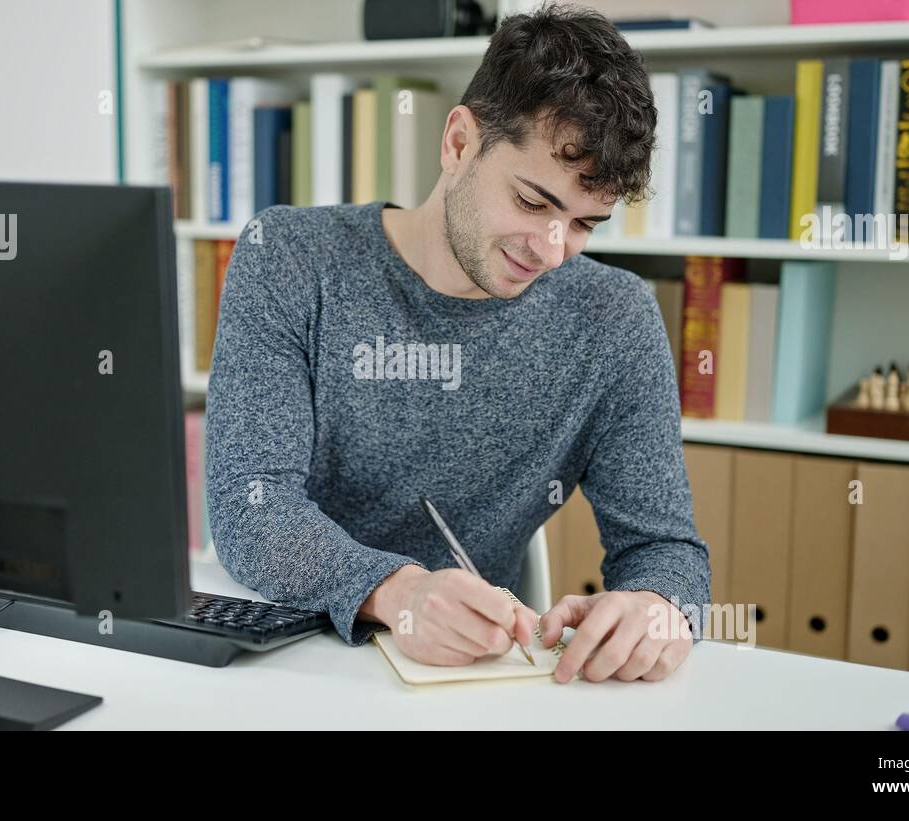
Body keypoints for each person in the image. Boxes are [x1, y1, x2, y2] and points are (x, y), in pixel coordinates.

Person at [206, 4, 710, 684]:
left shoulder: (614, 318)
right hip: (295, 659)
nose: (551, 250)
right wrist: (401, 592)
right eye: (532, 202)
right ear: (458, 143)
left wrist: (656, 608)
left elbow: (666, 549)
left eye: (584, 223)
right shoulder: (291, 259)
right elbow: (250, 509)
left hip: (475, 681)